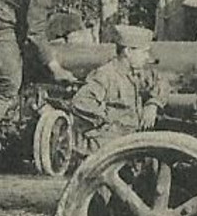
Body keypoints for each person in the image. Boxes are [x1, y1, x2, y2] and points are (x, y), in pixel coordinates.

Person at [0, 0, 98, 174]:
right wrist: (55, 67)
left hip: (14, 26)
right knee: (11, 81)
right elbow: (36, 34)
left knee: (73, 20)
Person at [70, 24, 169, 155]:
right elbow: (81, 102)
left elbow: (162, 82)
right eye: (144, 51)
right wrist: (111, 122)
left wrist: (153, 104)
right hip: (107, 149)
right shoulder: (106, 75)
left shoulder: (137, 72)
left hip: (130, 143)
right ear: (128, 52)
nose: (147, 57)